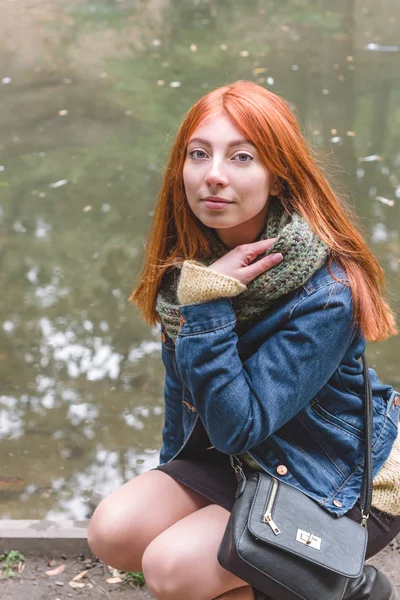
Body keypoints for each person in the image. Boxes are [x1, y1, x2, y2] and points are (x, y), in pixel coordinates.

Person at [87, 80, 400, 600]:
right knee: (113, 531)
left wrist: (208, 304)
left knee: (173, 569)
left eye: (242, 158)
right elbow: (184, 402)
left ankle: (343, 582)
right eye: (199, 154)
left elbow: (238, 426)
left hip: (331, 478)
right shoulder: (193, 267)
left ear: (278, 177)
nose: (213, 175)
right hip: (244, 460)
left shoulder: (326, 291)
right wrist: (175, 474)